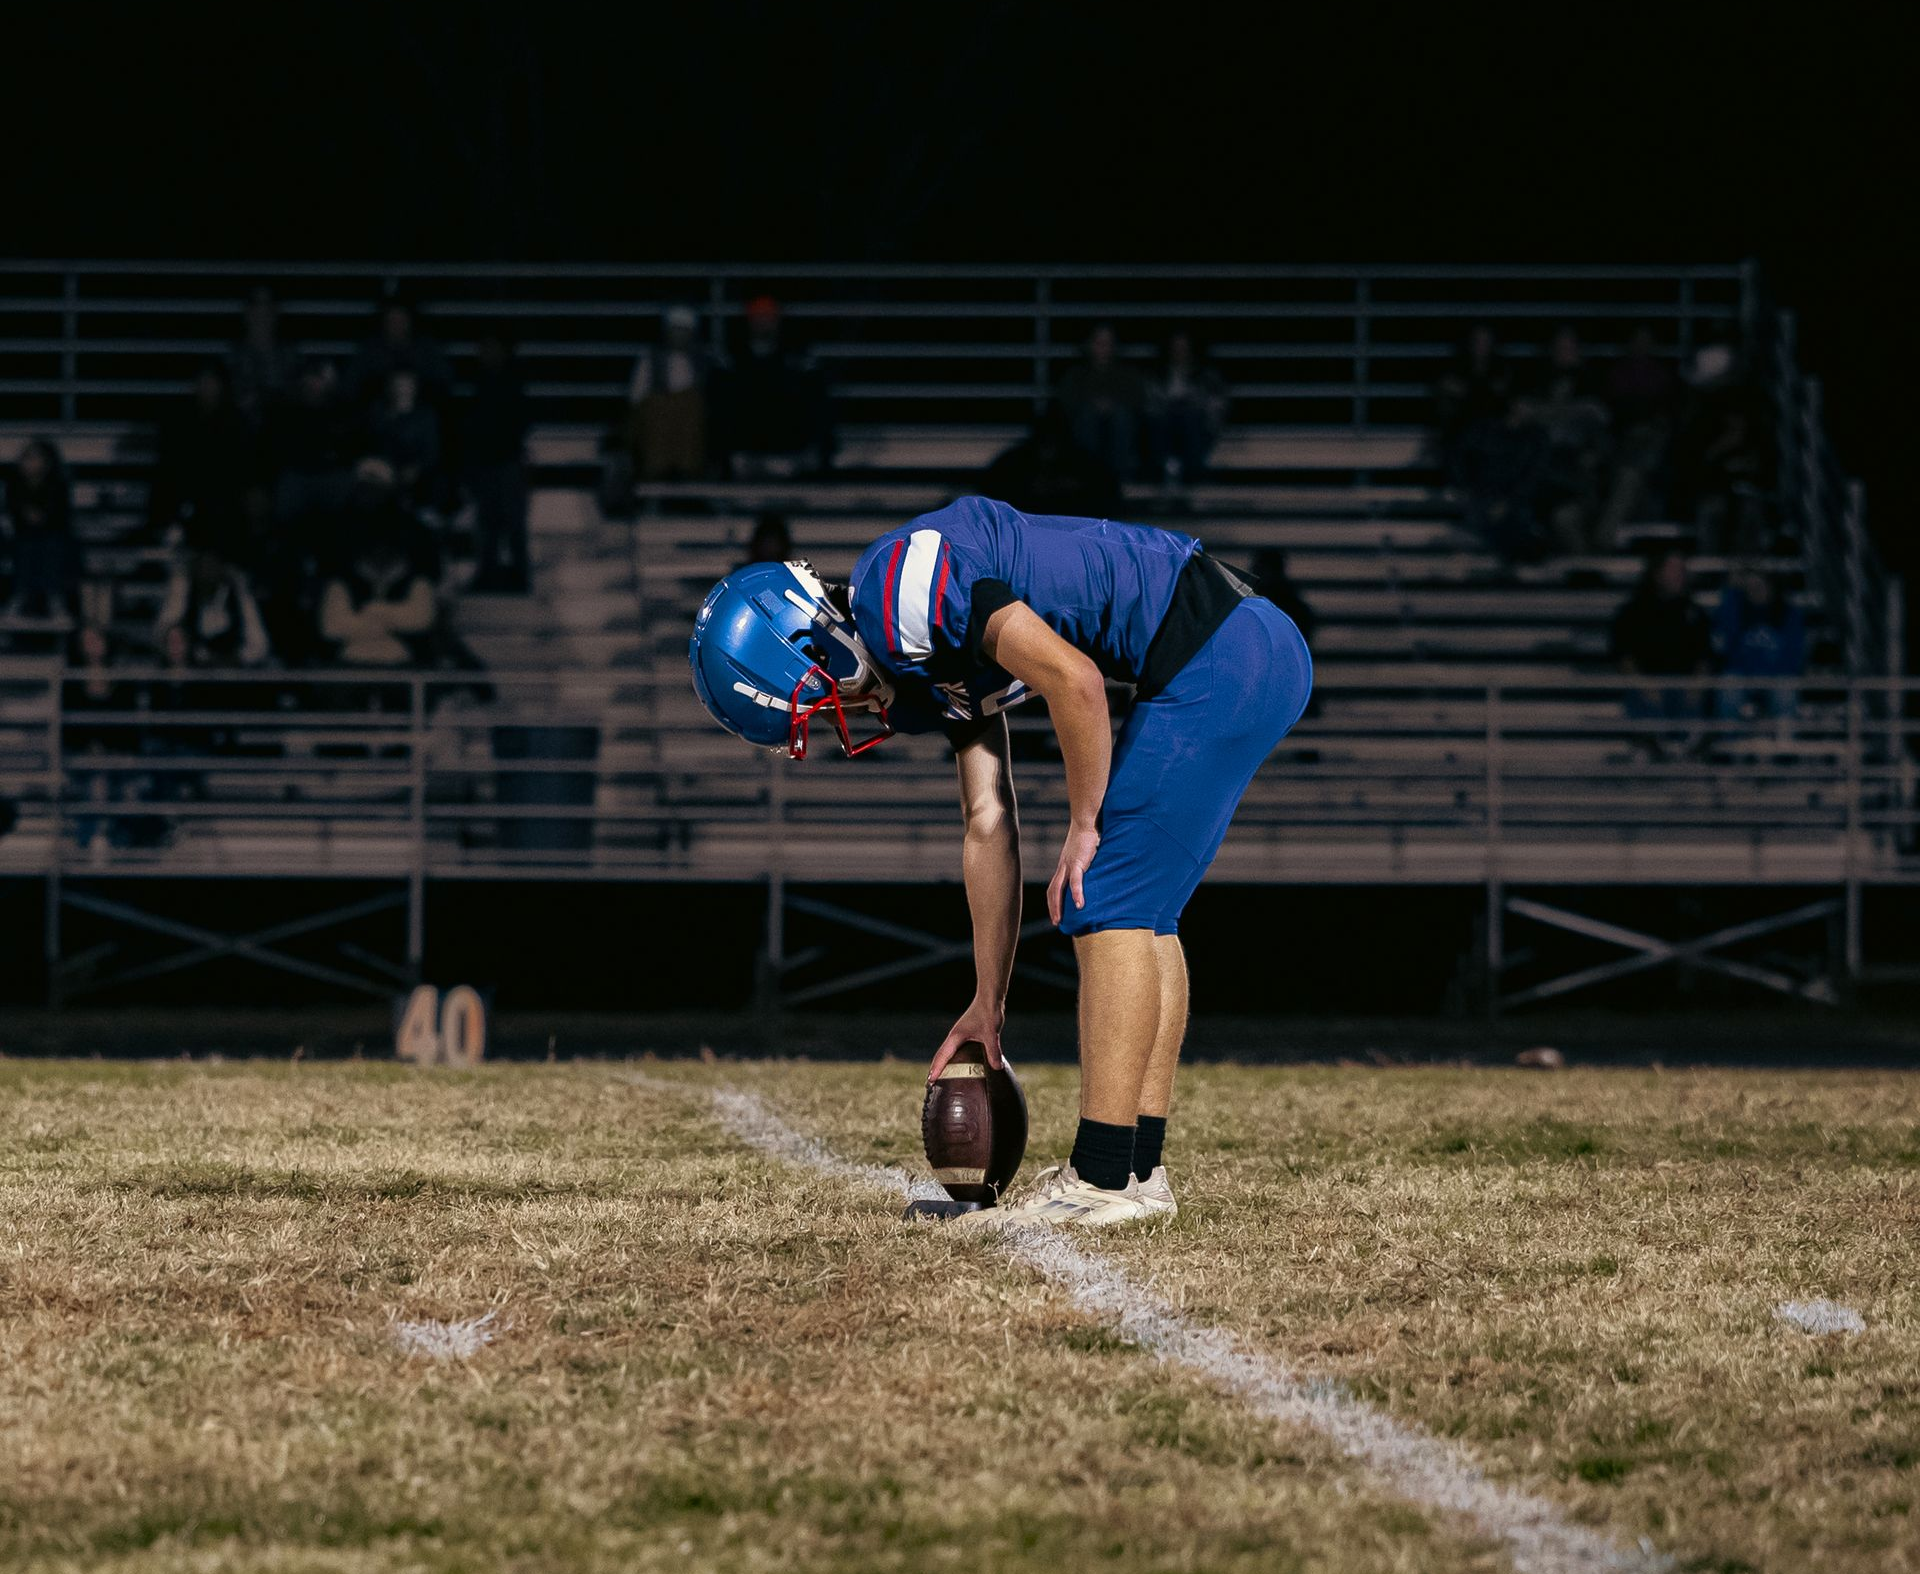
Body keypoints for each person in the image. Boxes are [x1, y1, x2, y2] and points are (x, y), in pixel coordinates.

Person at [689, 496, 1314, 1228]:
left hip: (1220, 647)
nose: (845, 713)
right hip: (1240, 646)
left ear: (812, 637)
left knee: (1104, 896)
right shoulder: (908, 656)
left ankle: (1102, 1180)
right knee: (1143, 914)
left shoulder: (898, 590)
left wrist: (1085, 822)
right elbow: (989, 819)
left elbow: (1074, 681)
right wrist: (990, 1003)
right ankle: (1138, 1172)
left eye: (824, 696)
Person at [710, 296, 833, 476]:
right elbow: (719, 409)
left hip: (791, 453)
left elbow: (819, 406)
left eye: (768, 317)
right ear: (749, 320)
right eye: (758, 317)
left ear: (778, 320)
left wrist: (817, 450)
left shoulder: (798, 360)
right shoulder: (732, 361)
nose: (763, 323)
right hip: (745, 454)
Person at [149, 364, 257, 560]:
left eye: (211, 382)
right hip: (187, 493)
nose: (206, 387)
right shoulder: (182, 418)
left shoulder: (233, 420)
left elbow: (238, 465)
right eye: (202, 382)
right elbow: (171, 462)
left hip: (221, 497)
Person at [1610, 548, 1712, 731]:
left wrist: (1696, 686)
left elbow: (1705, 656)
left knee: (1697, 707)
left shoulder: (1695, 613)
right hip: (1647, 684)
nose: (1679, 575)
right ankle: (1652, 747)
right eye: (1673, 569)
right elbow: (1623, 656)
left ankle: (1689, 750)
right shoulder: (1633, 612)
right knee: (1646, 708)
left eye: (1682, 570)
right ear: (1657, 574)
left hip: (1685, 685)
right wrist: (1643, 685)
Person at [463, 334, 531, 593]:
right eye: (483, 348)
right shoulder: (479, 383)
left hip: (508, 462)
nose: (486, 354)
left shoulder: (514, 383)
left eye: (492, 348)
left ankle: (520, 576)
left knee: (513, 524)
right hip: (485, 463)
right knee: (487, 523)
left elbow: (522, 421)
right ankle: (487, 573)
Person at [981, 403, 1123, 517]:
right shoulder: (1015, 461)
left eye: (1052, 444)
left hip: (1070, 524)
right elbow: (991, 489)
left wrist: (1067, 487)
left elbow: (1107, 494)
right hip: (1029, 524)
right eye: (1045, 443)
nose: (1048, 450)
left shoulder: (1085, 463)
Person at [625, 305, 715, 481]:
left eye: (684, 330)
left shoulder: (704, 362)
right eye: (675, 329)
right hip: (657, 427)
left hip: (690, 431)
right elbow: (636, 401)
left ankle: (686, 468)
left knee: (690, 406)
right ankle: (658, 467)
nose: (679, 335)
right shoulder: (650, 359)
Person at [1714, 564, 1805, 719]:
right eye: (1751, 587)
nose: (1756, 591)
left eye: (1761, 586)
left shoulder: (1789, 613)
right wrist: (1730, 592)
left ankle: (1785, 742)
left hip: (1776, 675)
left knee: (1785, 691)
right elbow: (1726, 644)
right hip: (1743, 674)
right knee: (1729, 688)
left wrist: (1768, 673)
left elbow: (1794, 654)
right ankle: (1731, 741)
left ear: (1772, 587)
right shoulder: (1736, 610)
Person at [1057, 325, 1146, 483]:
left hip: (1120, 427)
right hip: (1084, 426)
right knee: (1087, 417)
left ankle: (1119, 476)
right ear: (1089, 345)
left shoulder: (1127, 375)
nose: (1103, 348)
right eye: (1099, 343)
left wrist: (1112, 407)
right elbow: (1067, 402)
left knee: (1121, 418)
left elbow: (1136, 400)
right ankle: (1088, 473)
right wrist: (1093, 407)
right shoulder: (1076, 375)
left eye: (1108, 343)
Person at [3, 437, 76, 619]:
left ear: (47, 462)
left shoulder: (57, 484)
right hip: (24, 536)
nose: (28, 463)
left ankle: (54, 598)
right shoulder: (14, 484)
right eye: (26, 458)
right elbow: (14, 512)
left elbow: (60, 516)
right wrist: (27, 517)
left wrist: (42, 518)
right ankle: (19, 596)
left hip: (53, 535)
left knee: (52, 546)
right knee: (25, 547)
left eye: (34, 458)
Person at [1145, 332, 1229, 486]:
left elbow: (1217, 407)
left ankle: (1191, 472)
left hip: (1197, 429)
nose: (1180, 353)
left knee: (1190, 418)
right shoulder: (1158, 376)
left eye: (1184, 348)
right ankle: (1165, 468)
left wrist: (1193, 407)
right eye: (1176, 348)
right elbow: (1150, 406)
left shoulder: (1207, 376)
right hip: (1165, 428)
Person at [1434, 323, 1511, 482]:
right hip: (1463, 434)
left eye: (1485, 341)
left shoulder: (1501, 368)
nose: (1481, 346)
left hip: (1491, 435)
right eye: (1477, 341)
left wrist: (1468, 392)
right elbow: (1446, 394)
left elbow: (1498, 402)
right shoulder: (1456, 367)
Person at [228, 285, 301, 431]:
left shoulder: (290, 357)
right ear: (247, 313)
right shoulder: (232, 359)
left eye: (267, 306)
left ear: (275, 312)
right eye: (257, 305)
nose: (262, 313)